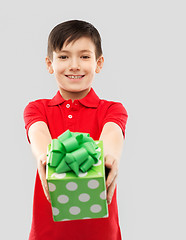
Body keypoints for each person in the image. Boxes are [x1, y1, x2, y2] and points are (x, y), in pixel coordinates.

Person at [24, 19, 128, 240]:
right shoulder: (37, 108)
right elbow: (38, 134)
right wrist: (44, 157)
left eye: (84, 56)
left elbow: (112, 134)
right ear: (49, 64)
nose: (74, 65)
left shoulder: (112, 109)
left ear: (98, 63)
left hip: (101, 234)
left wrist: (109, 158)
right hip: (48, 232)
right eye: (63, 56)